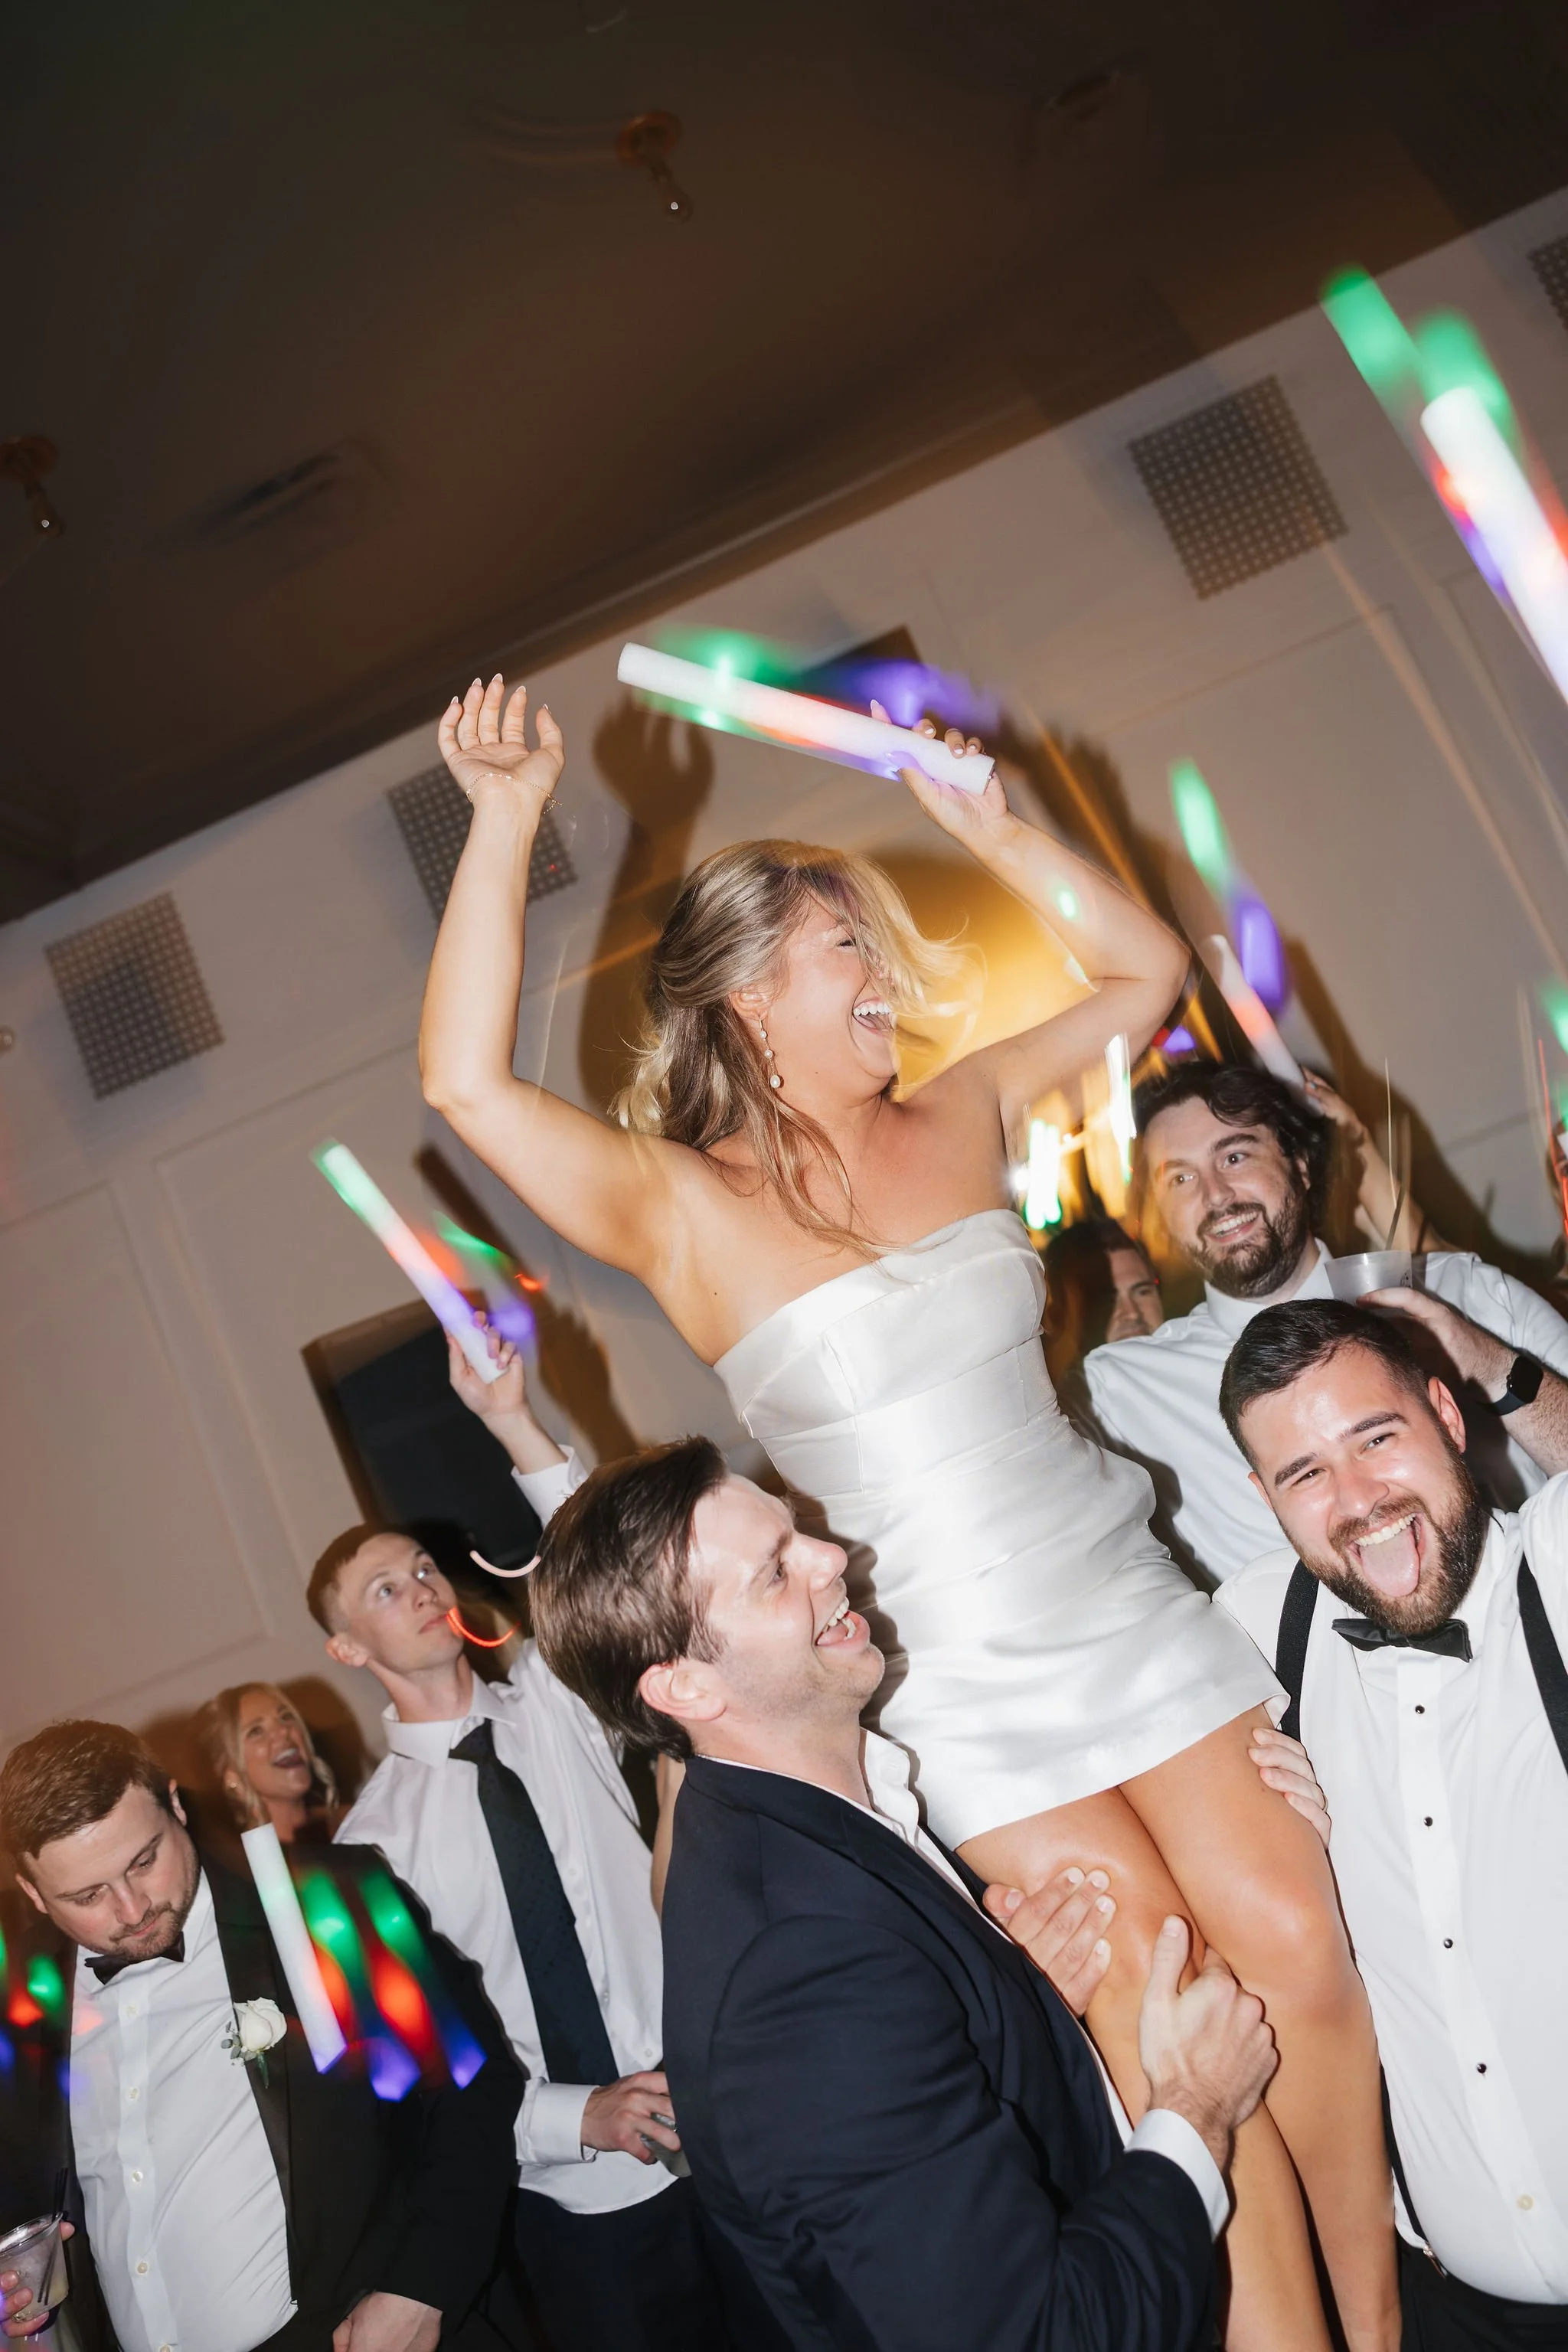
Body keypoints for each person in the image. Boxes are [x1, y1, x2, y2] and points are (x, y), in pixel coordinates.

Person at [415, 671, 1397, 2350]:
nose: (881, 974)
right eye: (840, 950)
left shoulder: (958, 1106)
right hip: (956, 1678)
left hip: (1121, 1596)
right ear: (744, 999)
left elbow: (1143, 973)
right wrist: (505, 816)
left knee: (1297, 1943)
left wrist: (997, 827)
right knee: (1168, 2010)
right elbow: (463, 1087)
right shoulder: (680, 1209)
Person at [522, 1436, 1279, 2350]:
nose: (831, 1557)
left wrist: (1003, 2002)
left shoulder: (797, 1826)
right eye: (775, 1572)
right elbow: (1042, 2337)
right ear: (685, 1686)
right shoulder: (795, 1973)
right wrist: (1195, 2107)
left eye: (796, 1532)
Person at [313, 1343, 731, 2352]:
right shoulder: (368, 1848)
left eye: (422, 1568)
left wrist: (511, 1418)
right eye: (384, 1590)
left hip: (729, 2113)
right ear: (348, 1649)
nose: (421, 1587)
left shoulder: (552, 1699)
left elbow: (611, 1563)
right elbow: (413, 2071)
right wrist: (572, 2117)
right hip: (574, 2213)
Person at [1214, 1298, 1568, 2348]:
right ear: (1263, 1500)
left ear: (1448, 1419)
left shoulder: (1555, 1570)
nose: (1357, 1499)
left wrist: (1502, 1367)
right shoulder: (1256, 1631)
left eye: (1377, 1438)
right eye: (1304, 1474)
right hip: (1449, 2313)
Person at [0, 1718, 521, 2352]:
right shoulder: (22, 1995)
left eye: (144, 1861)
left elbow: (472, 2086)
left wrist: (422, 2288)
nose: (132, 1909)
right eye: (87, 1896)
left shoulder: (323, 1902)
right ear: (33, 1893)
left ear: (174, 1805)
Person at [1085, 1060, 1568, 1585]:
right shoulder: (1121, 1390)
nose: (1215, 1195)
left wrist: (1485, 1365)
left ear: (1300, 1165)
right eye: (1180, 1178)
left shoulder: (1465, 1293)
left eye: (1235, 1156)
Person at [194, 1682, 343, 1844]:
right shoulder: (238, 1858)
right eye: (256, 1731)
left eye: (285, 1717)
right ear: (231, 1776)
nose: (284, 1730)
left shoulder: (353, 1825)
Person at [1041, 1215, 1163, 1406]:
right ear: (1058, 1318)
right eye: (1108, 1300)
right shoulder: (1063, 1415)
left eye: (1142, 1292)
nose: (1132, 1313)